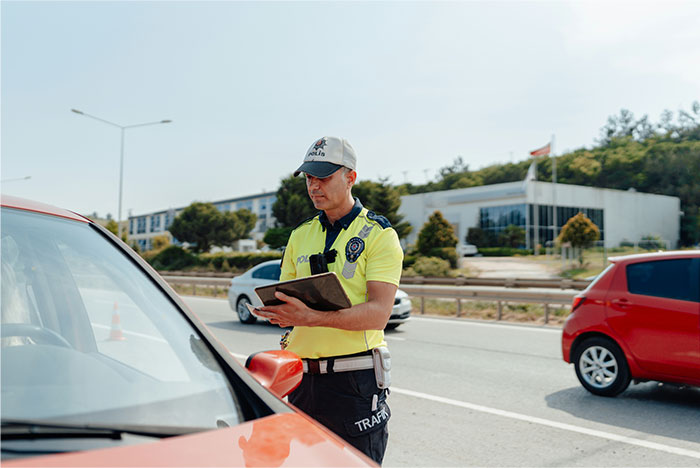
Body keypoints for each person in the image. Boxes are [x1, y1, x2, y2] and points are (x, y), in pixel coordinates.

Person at [256, 136, 403, 464]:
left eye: (323, 177)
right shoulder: (300, 234)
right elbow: (289, 301)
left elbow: (379, 314)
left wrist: (313, 318)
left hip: (355, 383)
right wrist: (280, 312)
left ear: (351, 176)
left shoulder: (379, 234)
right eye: (309, 178)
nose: (313, 186)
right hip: (301, 380)